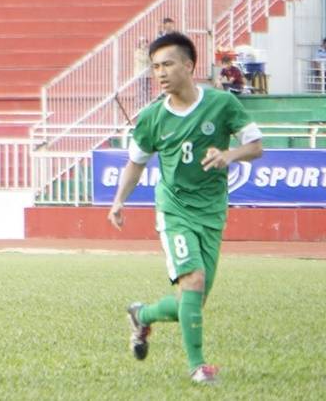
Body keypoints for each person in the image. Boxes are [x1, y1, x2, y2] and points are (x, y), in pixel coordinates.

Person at [108, 32, 263, 385]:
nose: (160, 73)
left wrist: (229, 155)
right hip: (174, 209)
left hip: (212, 211)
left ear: (189, 66)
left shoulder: (221, 104)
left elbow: (255, 146)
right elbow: (135, 163)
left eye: (167, 64)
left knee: (191, 300)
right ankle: (198, 367)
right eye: (155, 67)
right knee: (193, 280)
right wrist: (118, 201)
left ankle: (142, 315)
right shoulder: (152, 117)